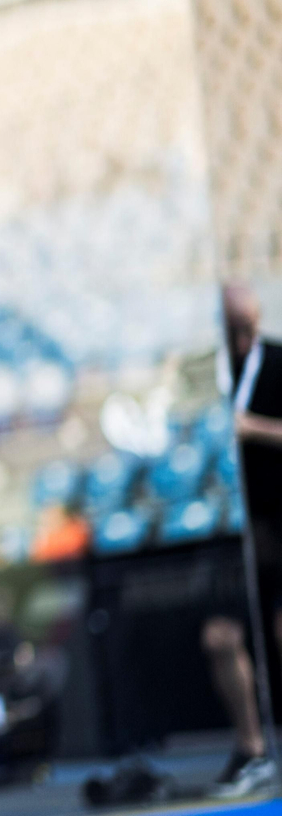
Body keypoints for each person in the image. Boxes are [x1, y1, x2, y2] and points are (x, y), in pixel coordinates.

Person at [203, 281, 282, 799]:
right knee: (220, 637)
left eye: (247, 329)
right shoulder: (205, 374)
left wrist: (251, 428)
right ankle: (251, 748)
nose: (241, 341)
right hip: (234, 529)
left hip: (277, 521)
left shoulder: (276, 362)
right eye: (232, 330)